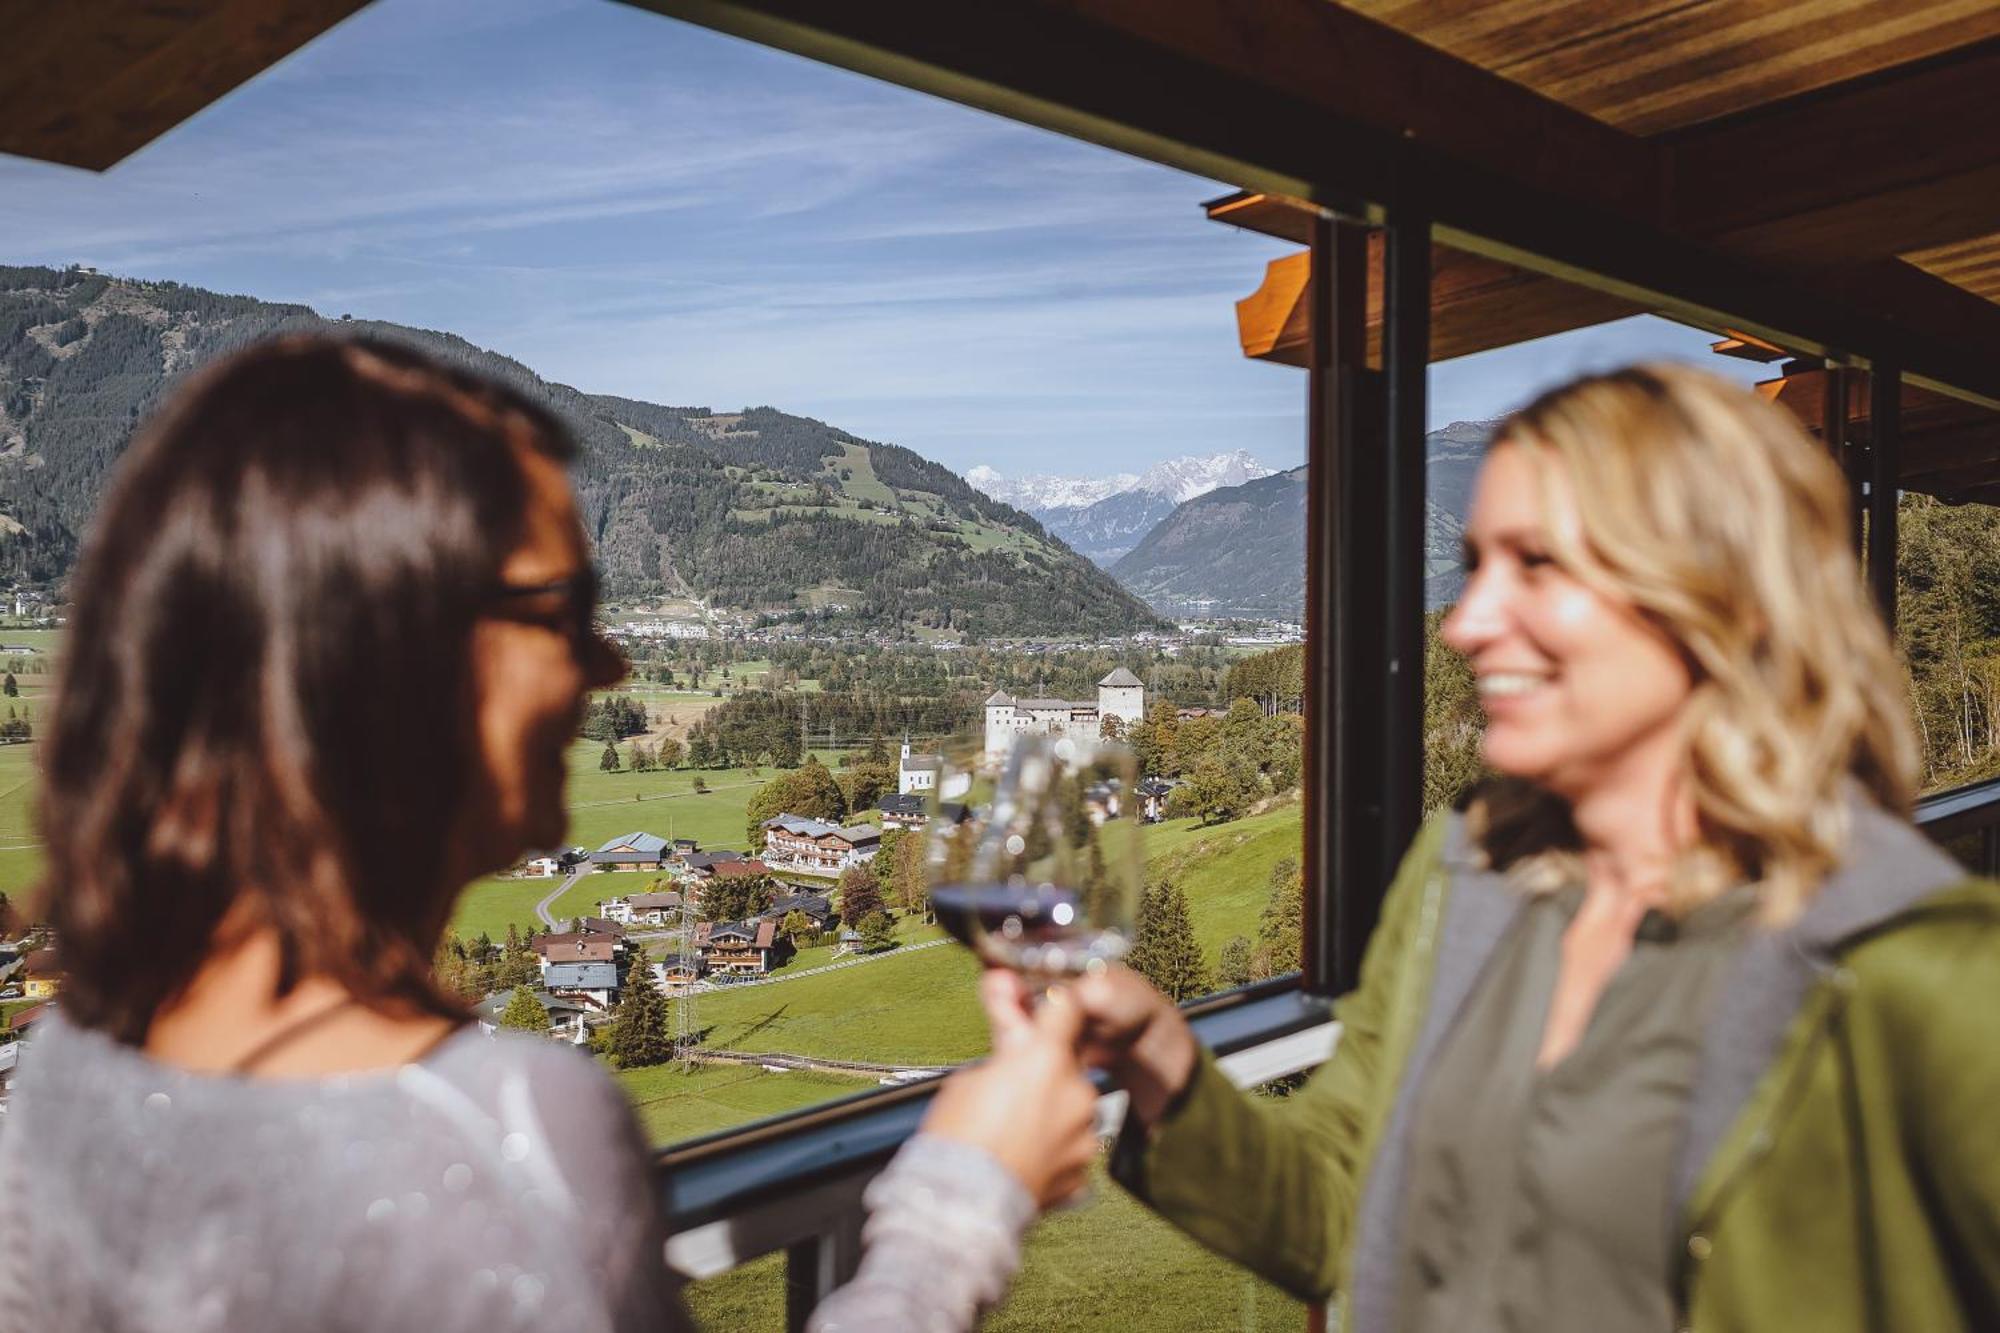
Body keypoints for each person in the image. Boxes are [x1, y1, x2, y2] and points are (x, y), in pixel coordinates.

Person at [0, 336, 1096, 1332]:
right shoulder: (501, 1129)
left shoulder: (69, 1067)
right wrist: (965, 1200)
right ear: (392, 656)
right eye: (563, 612)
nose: (608, 664)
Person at [1017, 364, 2000, 1332]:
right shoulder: (1467, 869)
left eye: (1536, 564)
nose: (1469, 623)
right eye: (1478, 565)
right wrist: (1156, 1056)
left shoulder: (1915, 968)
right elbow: (1336, 1206)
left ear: (1720, 595)